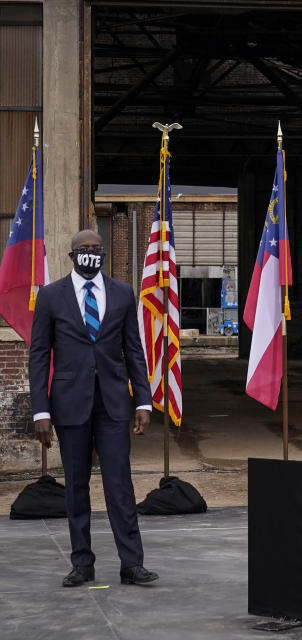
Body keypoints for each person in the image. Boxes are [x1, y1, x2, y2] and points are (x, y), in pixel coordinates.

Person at [29, 229, 159, 587]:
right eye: (85, 249)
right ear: (72, 255)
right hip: (69, 405)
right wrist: (41, 410)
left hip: (114, 404)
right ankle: (82, 564)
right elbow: (39, 355)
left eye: (97, 249)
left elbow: (134, 349)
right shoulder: (51, 296)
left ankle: (132, 564)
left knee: (120, 485)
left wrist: (143, 400)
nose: (92, 253)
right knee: (76, 487)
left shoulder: (121, 294)